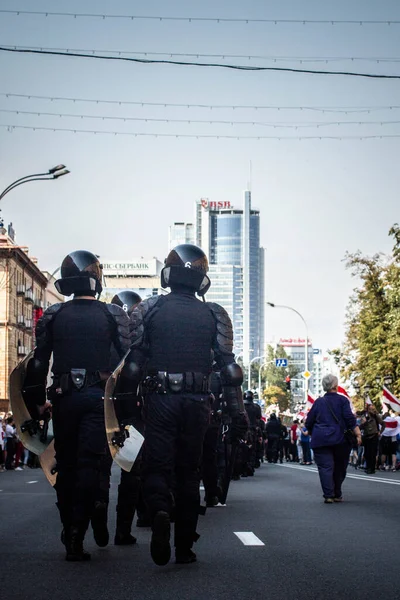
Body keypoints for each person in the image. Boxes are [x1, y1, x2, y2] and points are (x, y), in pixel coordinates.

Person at [126, 244, 248, 566]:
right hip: (197, 402)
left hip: (158, 398)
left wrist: (125, 411)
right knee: (188, 470)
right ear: (201, 278)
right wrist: (238, 414)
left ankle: (161, 512)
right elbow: (230, 371)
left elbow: (133, 366)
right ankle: (184, 547)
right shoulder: (214, 313)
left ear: (168, 274)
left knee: (158, 465)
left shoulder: (148, 309)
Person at [26, 250, 131, 561]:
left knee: (66, 466)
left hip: (63, 398)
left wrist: (37, 406)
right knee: (88, 465)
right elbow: (129, 363)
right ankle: (78, 531)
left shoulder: (54, 315)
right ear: (96, 281)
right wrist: (124, 408)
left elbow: (36, 365)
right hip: (97, 399)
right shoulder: (112, 315)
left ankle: (68, 527)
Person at [110, 290, 146, 544]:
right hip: (134, 410)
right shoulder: (142, 341)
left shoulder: (103, 338)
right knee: (133, 469)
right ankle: (126, 527)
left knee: (96, 467)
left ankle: (96, 513)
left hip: (103, 410)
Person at [305, 374, 361, 503]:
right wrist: (358, 434)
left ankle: (328, 495)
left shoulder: (318, 402)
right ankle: (337, 493)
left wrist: (311, 431)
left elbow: (309, 421)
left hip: (320, 440)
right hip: (340, 439)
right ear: (336, 385)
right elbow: (349, 419)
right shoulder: (343, 401)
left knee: (325, 468)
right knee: (340, 467)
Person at [359, 404, 385, 474]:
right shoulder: (364, 416)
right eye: (370, 409)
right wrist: (364, 423)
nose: (371, 410)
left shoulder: (376, 416)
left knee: (373, 453)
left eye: (372, 409)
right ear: (367, 409)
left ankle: (372, 469)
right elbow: (360, 427)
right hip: (366, 436)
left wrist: (380, 432)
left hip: (374, 436)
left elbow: (383, 424)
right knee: (367, 453)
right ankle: (368, 467)